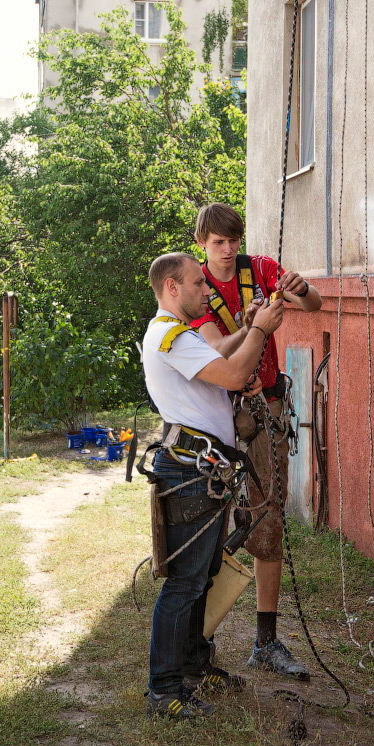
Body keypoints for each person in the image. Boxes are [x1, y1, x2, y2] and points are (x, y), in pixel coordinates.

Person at [142, 251, 283, 718]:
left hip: (201, 471)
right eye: (198, 284)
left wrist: (249, 328)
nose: (207, 291)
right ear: (172, 288)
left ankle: (194, 666)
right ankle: (164, 690)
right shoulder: (170, 335)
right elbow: (235, 372)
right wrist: (261, 328)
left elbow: (220, 354)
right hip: (189, 473)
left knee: (202, 577)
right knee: (184, 584)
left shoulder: (177, 334)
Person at [192, 203, 322, 680]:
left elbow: (315, 306)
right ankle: (197, 641)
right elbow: (211, 350)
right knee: (208, 520)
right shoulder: (194, 286)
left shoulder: (262, 270)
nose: (227, 251)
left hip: (265, 407)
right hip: (216, 413)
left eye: (233, 241)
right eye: (218, 243)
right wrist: (252, 327)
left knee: (269, 518)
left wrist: (301, 289)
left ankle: (265, 641)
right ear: (202, 243)